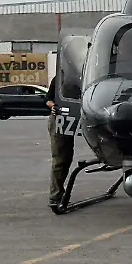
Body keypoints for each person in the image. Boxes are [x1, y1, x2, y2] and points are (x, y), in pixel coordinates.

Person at [46, 73, 75, 211]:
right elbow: (48, 99)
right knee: (61, 158)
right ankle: (55, 196)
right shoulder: (60, 77)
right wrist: (53, 106)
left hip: (81, 115)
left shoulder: (93, 72)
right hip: (61, 118)